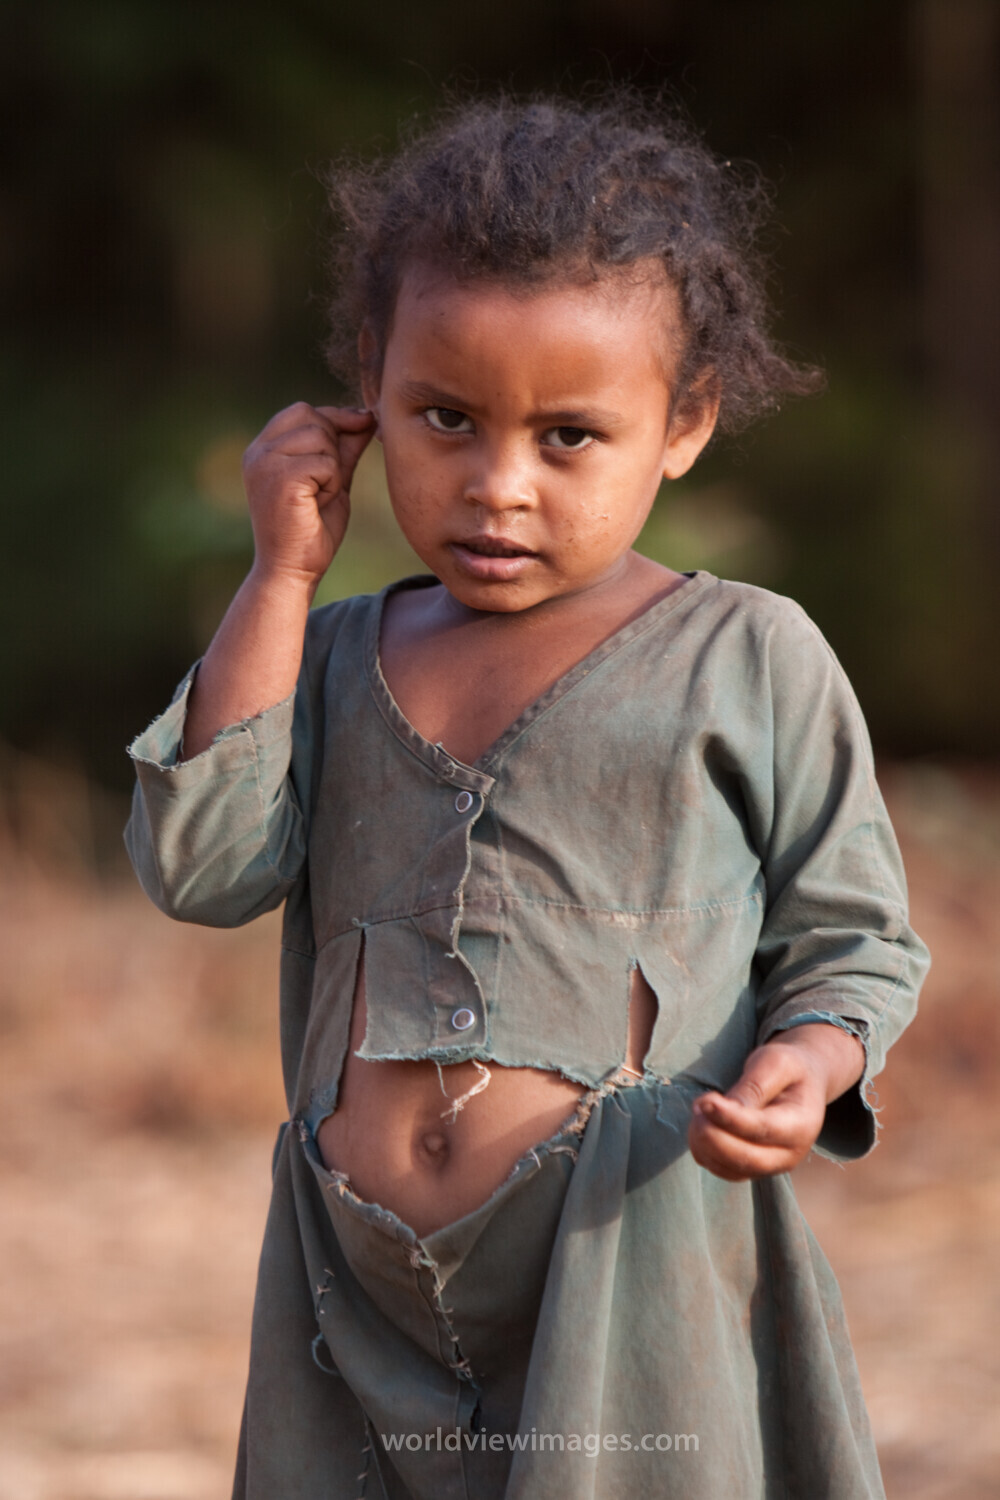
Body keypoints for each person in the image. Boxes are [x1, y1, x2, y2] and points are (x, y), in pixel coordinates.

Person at [126, 93, 929, 1500]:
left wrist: (811, 1068)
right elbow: (200, 868)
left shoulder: (746, 652)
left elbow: (853, 939)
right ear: (367, 389)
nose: (498, 485)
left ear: (683, 425)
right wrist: (278, 576)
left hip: (629, 1261)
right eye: (445, 417)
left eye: (569, 437)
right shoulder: (324, 653)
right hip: (351, 1291)